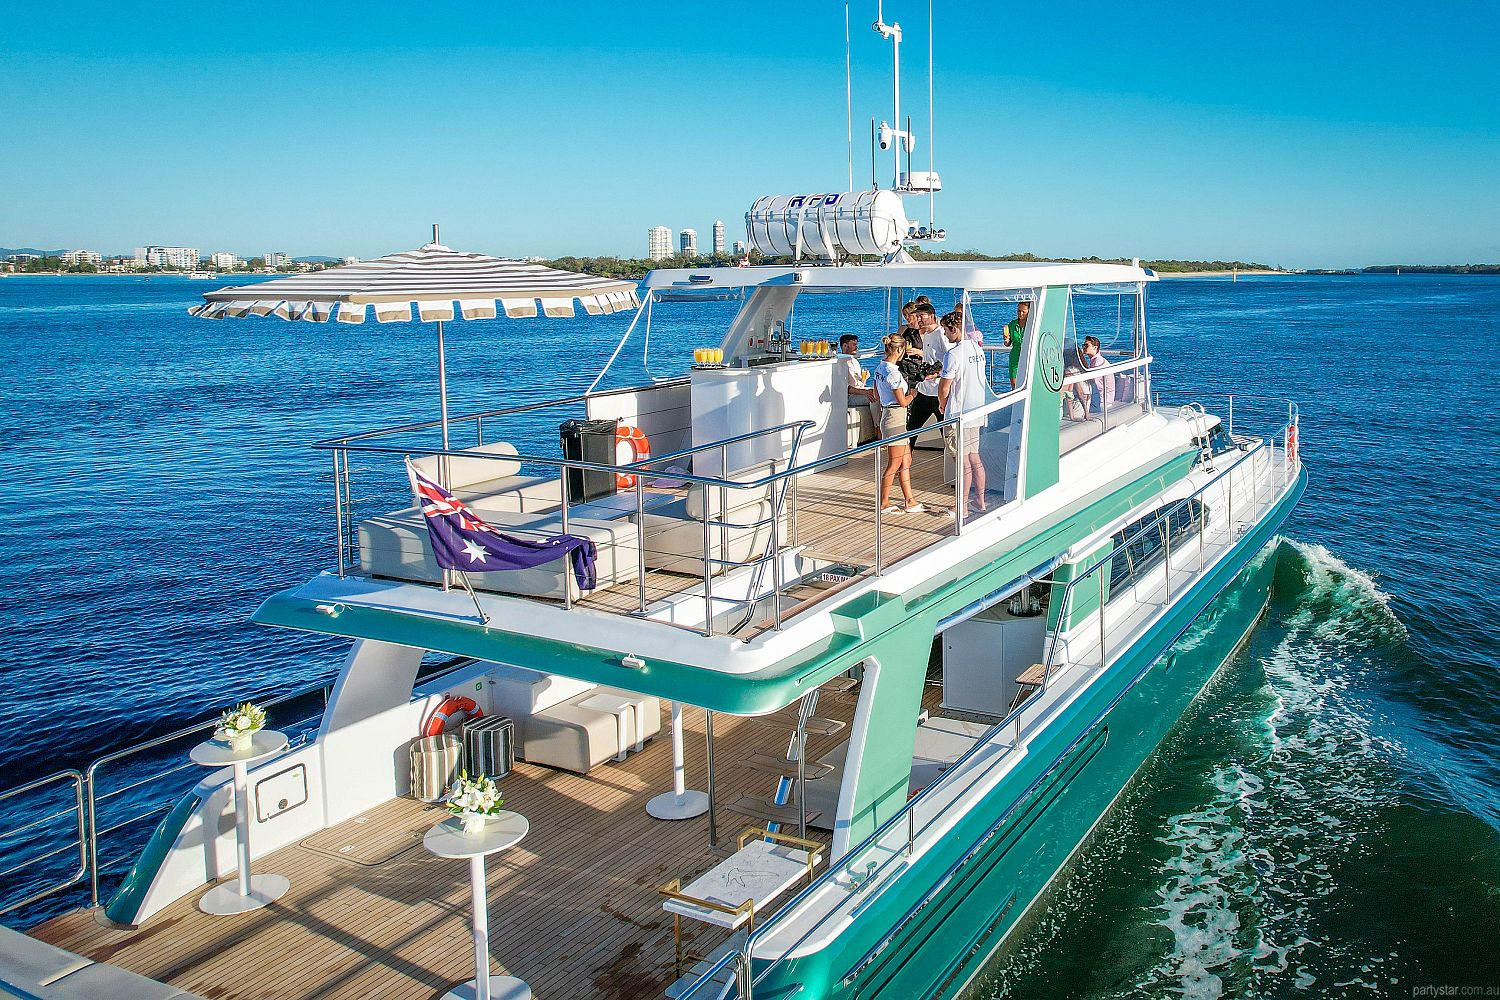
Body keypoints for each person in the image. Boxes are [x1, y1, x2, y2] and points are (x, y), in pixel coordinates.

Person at [937, 309, 988, 516]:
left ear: (954, 329)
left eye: (946, 331)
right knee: (975, 458)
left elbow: (944, 387)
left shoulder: (954, 354)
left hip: (958, 413)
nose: (946, 336)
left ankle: (962, 506)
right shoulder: (978, 349)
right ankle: (980, 501)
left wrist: (942, 405)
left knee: (963, 461)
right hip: (976, 410)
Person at [872, 335, 924, 513]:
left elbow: (876, 395)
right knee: (894, 463)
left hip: (890, 416)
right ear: (900, 350)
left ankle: (909, 499)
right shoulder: (893, 373)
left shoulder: (880, 368)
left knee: (906, 460)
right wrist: (914, 394)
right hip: (895, 417)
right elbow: (903, 401)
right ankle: (884, 502)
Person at [905, 303, 948, 434]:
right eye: (917, 316)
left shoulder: (942, 334)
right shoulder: (927, 334)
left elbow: (950, 360)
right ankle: (906, 455)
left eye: (921, 316)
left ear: (932, 316)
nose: (919, 319)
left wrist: (936, 374)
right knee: (911, 428)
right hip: (924, 390)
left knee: (945, 431)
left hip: (937, 392)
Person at [838, 333, 880, 437]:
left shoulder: (854, 361)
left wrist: (864, 379)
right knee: (874, 397)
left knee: (880, 392)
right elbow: (846, 388)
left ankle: (880, 426)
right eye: (853, 344)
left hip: (858, 392)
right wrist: (865, 392)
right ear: (844, 346)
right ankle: (877, 429)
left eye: (856, 344)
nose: (856, 347)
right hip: (849, 397)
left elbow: (859, 385)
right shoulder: (841, 363)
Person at [1000, 300, 1030, 390]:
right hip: (1015, 356)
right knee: (1014, 384)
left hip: (1027, 355)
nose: (1020, 314)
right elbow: (1008, 344)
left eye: (1023, 312)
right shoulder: (1012, 324)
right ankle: (1016, 403)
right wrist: (1006, 340)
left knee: (1027, 384)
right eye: (1018, 311)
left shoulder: (1031, 324)